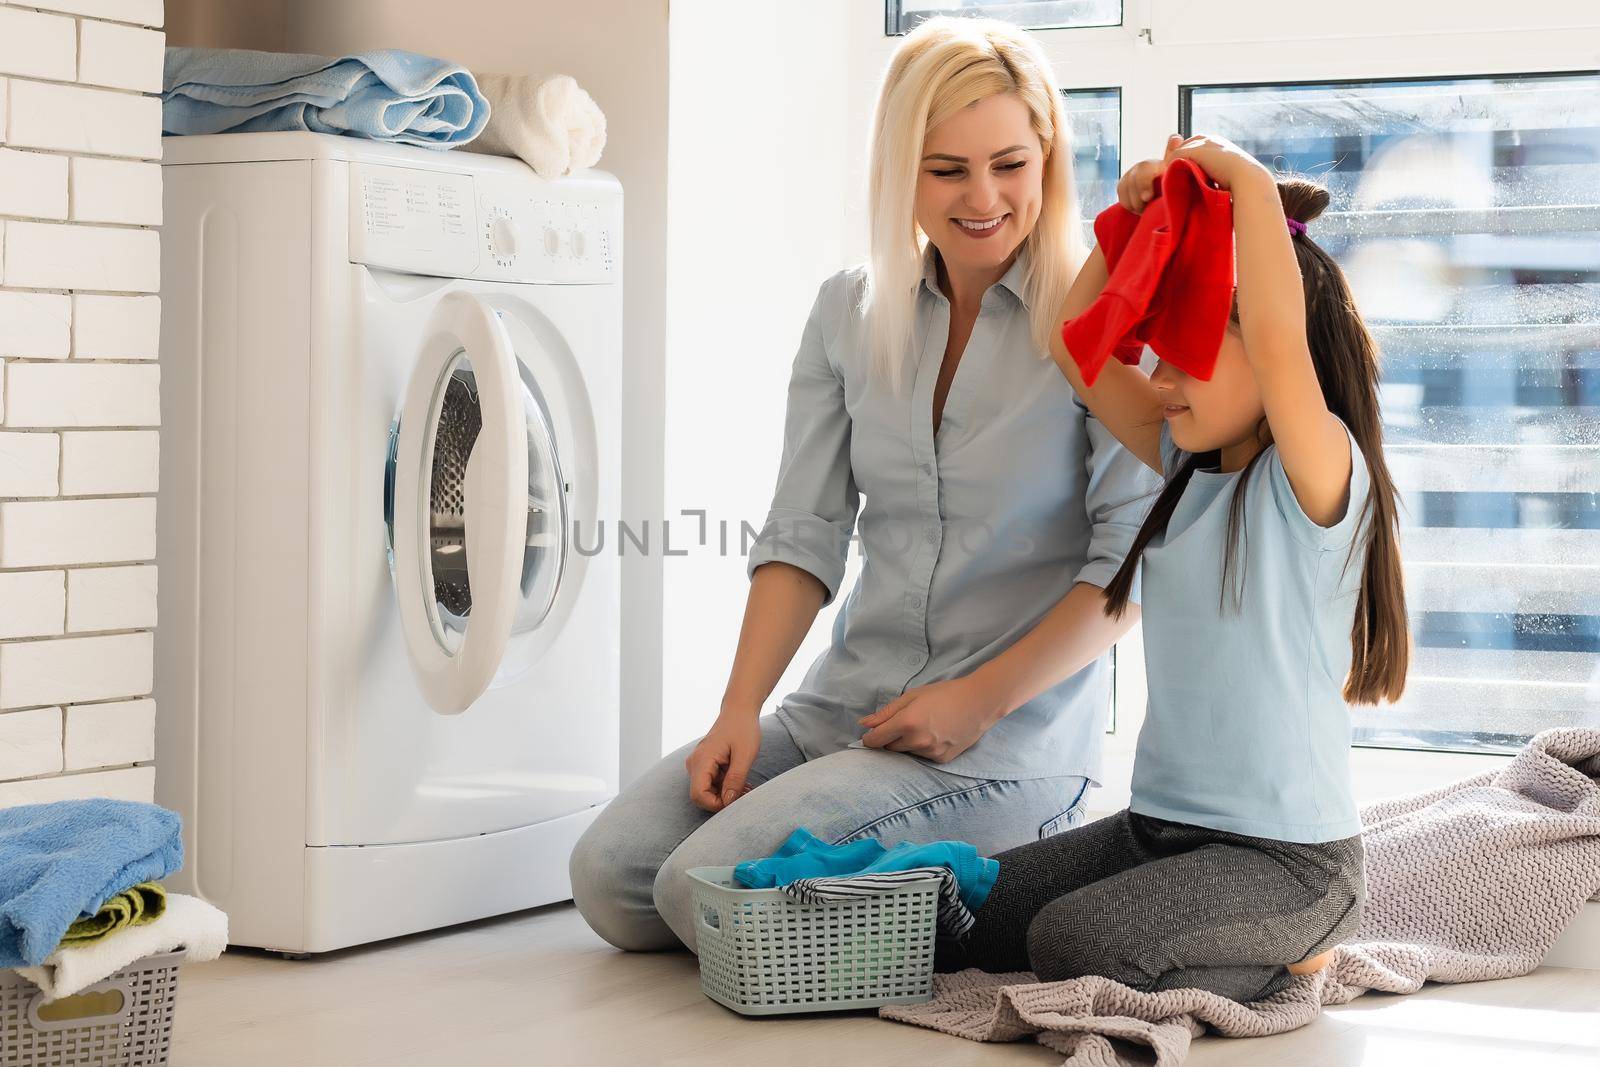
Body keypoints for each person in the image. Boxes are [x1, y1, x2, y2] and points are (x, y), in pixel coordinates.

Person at [567, 17, 1158, 953]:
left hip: (1008, 740)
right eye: (946, 169)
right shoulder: (850, 310)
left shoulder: (1099, 320)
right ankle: (923, 898)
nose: (984, 197)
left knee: (699, 889)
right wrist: (738, 712)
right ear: (899, 171)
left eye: (1009, 163)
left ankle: (1015, 869)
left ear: (1048, 154)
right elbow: (804, 530)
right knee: (614, 876)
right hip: (848, 705)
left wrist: (977, 700)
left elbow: (1128, 570)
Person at [937, 134, 1410, 1002]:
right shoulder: (1184, 470)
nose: (1157, 374)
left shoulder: (1315, 475)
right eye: (1156, 345)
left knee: (1070, 941)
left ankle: (1301, 952)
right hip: (1159, 831)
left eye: (1184, 343)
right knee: (973, 915)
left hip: (1287, 859)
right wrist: (1138, 220)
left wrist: (1246, 181)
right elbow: (1076, 344)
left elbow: (1273, 334)